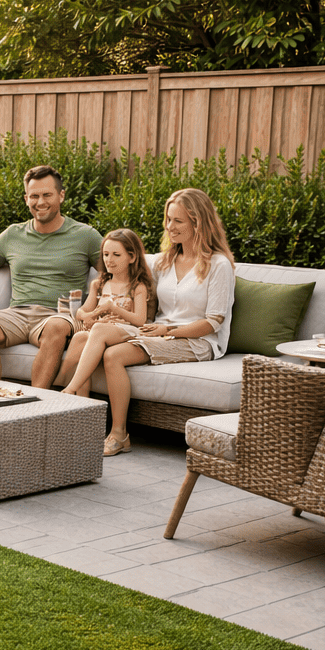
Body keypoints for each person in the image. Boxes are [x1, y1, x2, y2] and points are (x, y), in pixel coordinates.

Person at [95, 188, 235, 457]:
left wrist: (168, 330)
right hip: (157, 332)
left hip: (197, 341)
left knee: (113, 356)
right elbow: (143, 300)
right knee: (92, 334)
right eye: (168, 220)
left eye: (178, 221)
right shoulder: (164, 261)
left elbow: (214, 322)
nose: (169, 227)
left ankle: (118, 434)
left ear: (198, 222)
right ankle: (71, 405)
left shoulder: (218, 265)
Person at [0, 165, 103, 387]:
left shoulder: (86, 236)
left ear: (61, 195)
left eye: (47, 194)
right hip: (17, 313)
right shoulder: (13, 234)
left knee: (56, 327)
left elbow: (113, 271)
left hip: (60, 315)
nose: (40, 202)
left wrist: (98, 309)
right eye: (34, 196)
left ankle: (36, 405)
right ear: (26, 198)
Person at [55, 228, 157, 397]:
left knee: (95, 331)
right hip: (100, 333)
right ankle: (82, 405)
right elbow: (81, 311)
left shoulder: (137, 287)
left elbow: (140, 320)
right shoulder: (99, 284)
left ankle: (66, 383)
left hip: (127, 333)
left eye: (116, 255)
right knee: (80, 337)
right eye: (106, 254)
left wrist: (114, 308)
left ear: (132, 257)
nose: (109, 260)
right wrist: (88, 316)